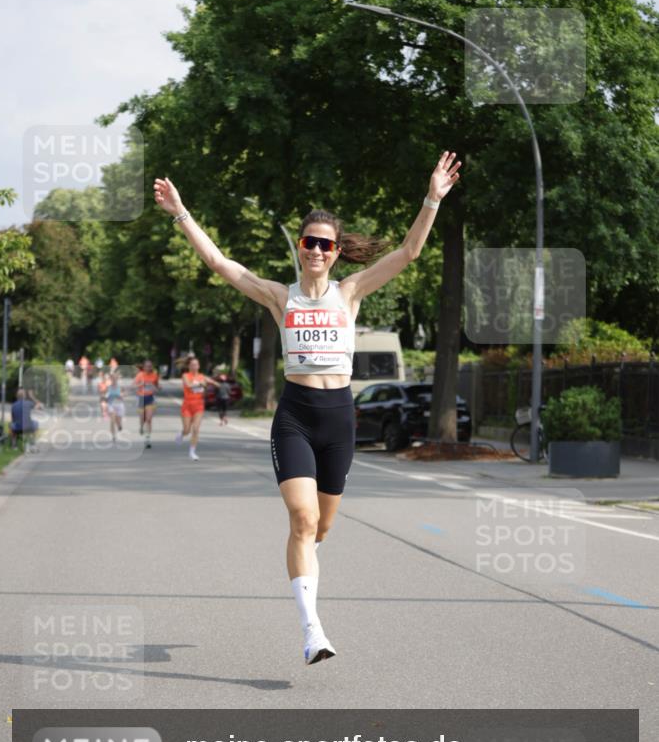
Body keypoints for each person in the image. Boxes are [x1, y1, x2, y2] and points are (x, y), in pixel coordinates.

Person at [153, 151, 461, 664]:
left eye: (325, 244)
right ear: (300, 248)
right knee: (301, 519)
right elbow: (219, 263)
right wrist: (182, 213)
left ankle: (305, 570)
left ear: (336, 252)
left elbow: (408, 252)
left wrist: (432, 197)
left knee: (321, 529)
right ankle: (312, 630)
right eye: (309, 242)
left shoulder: (350, 292)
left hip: (339, 418)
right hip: (295, 415)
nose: (316, 249)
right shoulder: (280, 297)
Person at [177, 356, 218, 460]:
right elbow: (188, 385)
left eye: (196, 365)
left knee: (195, 429)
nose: (194, 366)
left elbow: (215, 383)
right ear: (189, 366)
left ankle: (192, 452)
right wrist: (201, 384)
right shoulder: (185, 375)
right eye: (192, 365)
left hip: (198, 406)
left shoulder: (202, 376)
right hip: (187, 405)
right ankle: (182, 434)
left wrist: (218, 384)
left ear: (199, 366)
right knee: (187, 430)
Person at [134, 358, 160, 448]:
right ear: (144, 367)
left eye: (150, 366)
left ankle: (147, 439)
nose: (148, 368)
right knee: (142, 419)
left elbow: (158, 387)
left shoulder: (154, 375)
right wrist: (141, 384)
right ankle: (141, 427)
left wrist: (155, 387)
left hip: (150, 398)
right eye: (147, 366)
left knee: (149, 419)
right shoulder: (139, 375)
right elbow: (133, 386)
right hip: (141, 398)